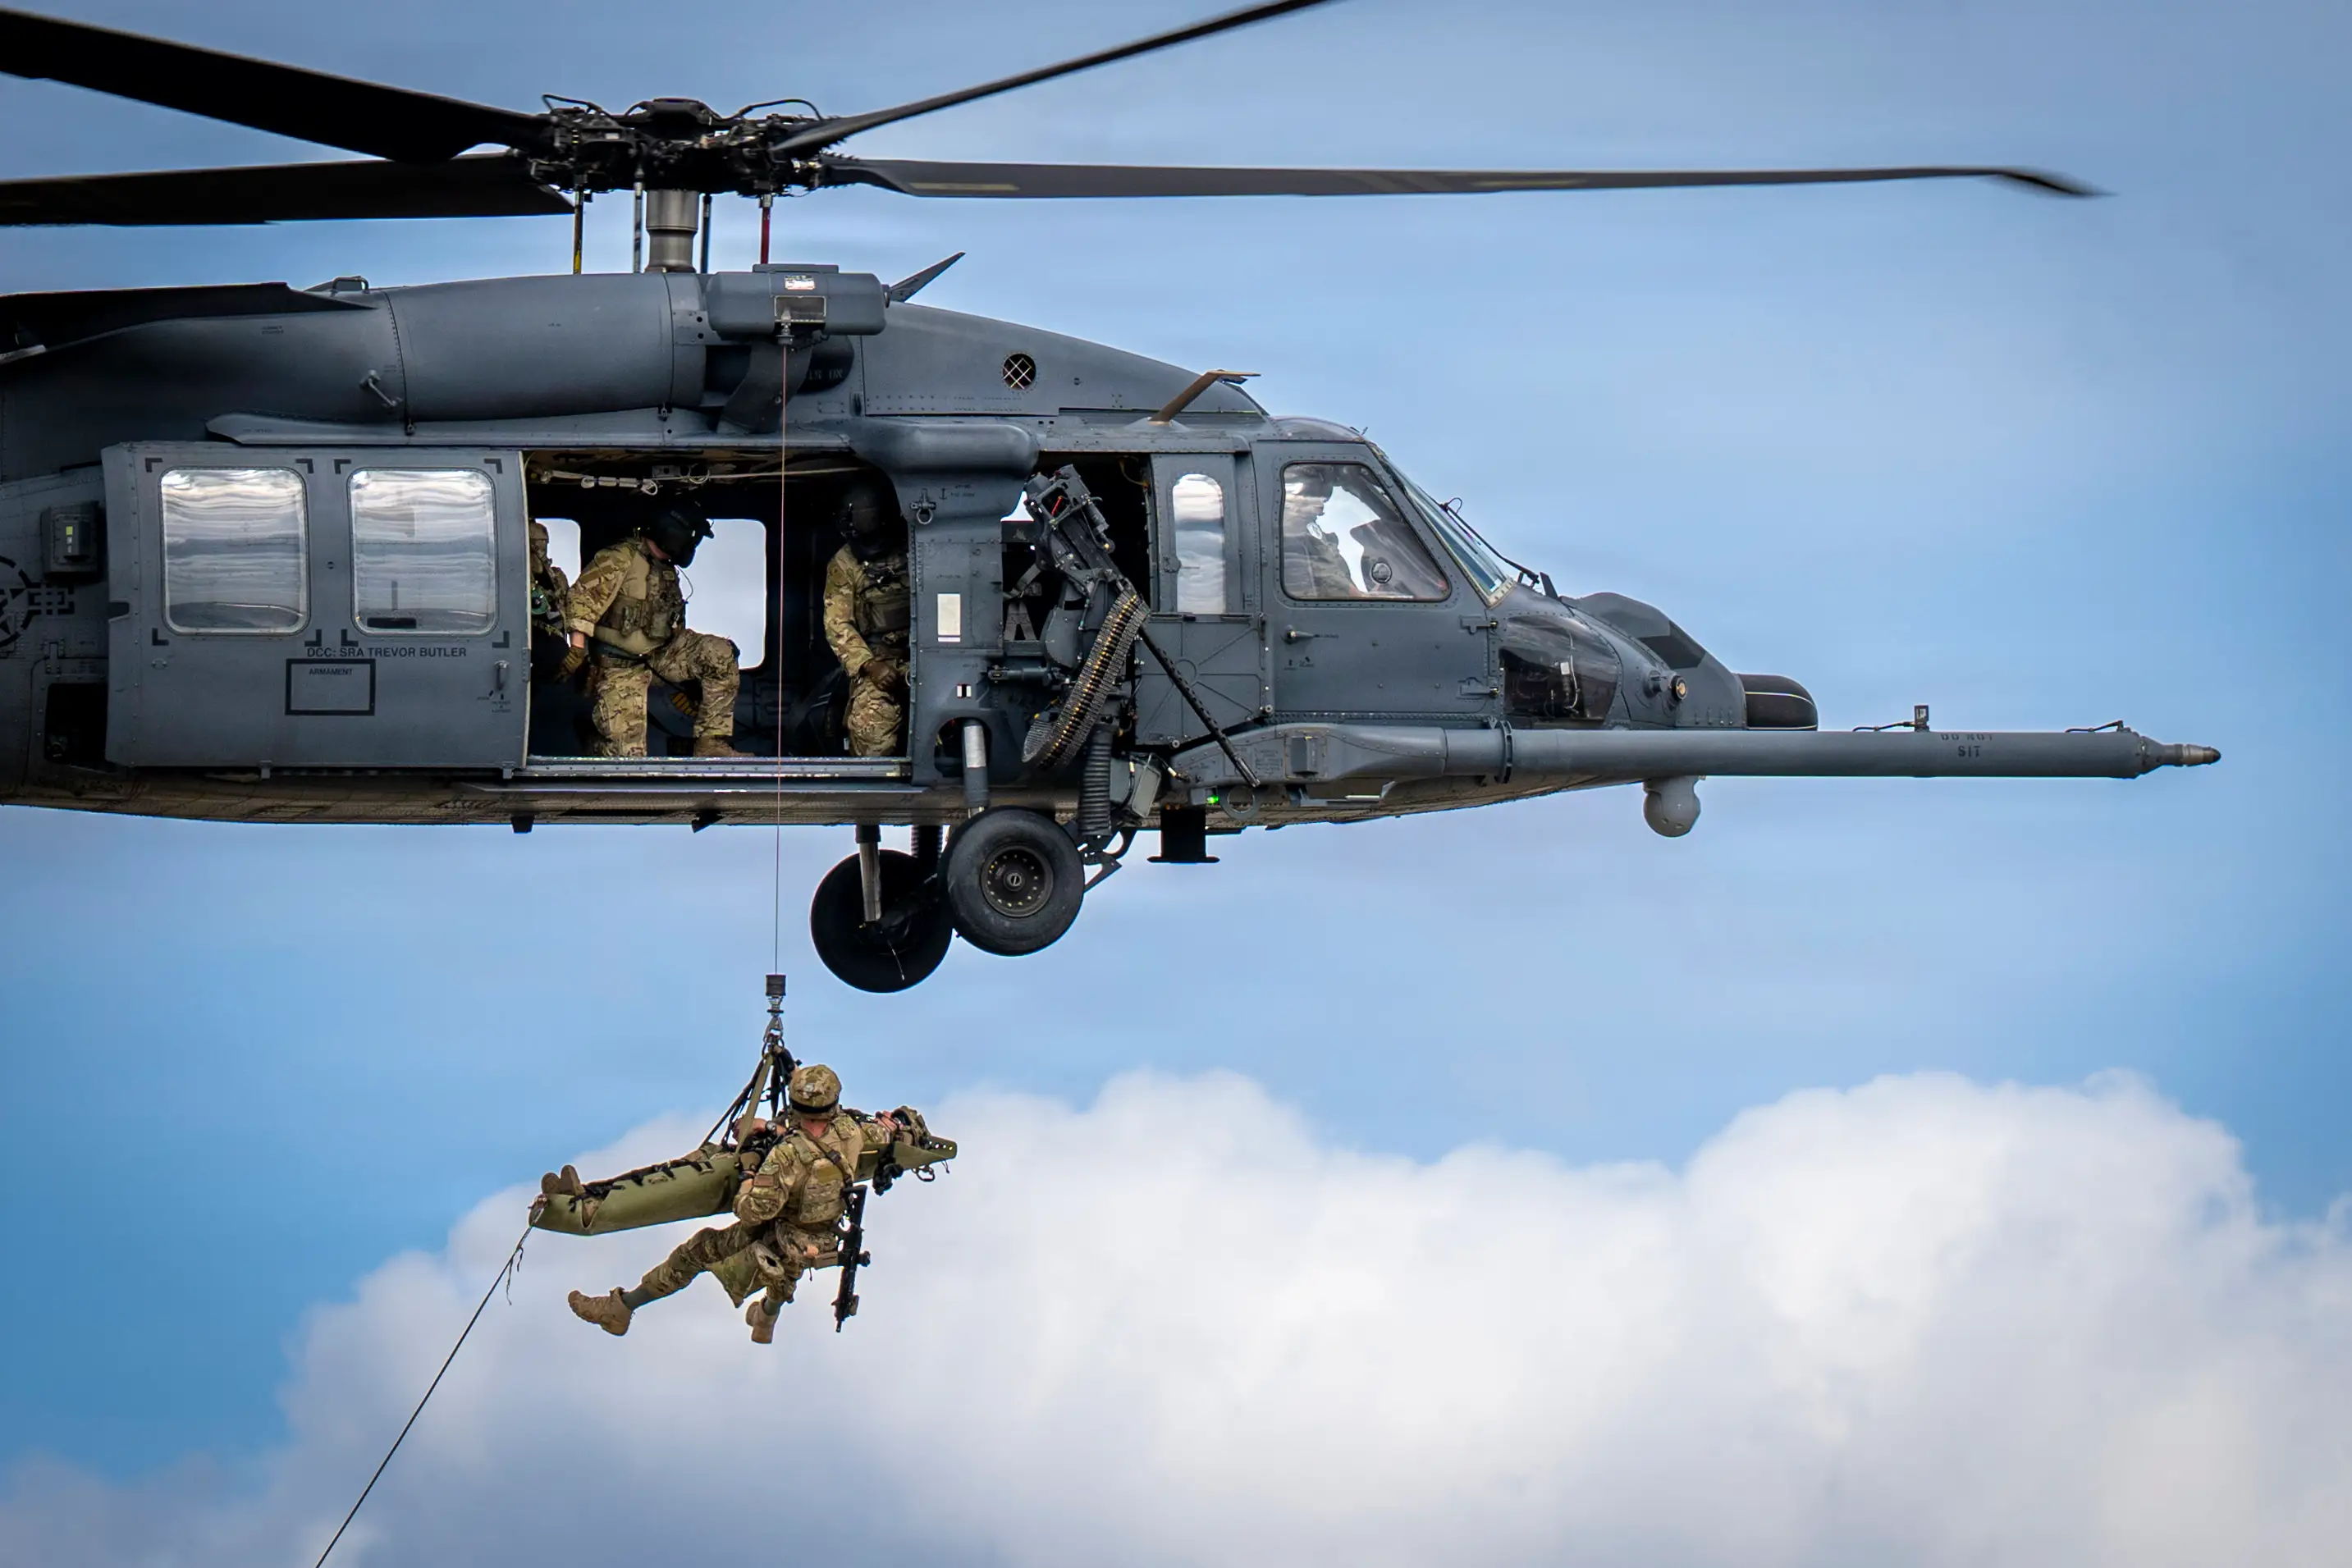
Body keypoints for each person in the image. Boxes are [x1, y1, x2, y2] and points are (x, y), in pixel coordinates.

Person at [567, 1064, 899, 1345]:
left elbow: (753, 1210)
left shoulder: (785, 1156)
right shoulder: (851, 1133)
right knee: (784, 1276)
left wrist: (748, 1179)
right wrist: (893, 1124)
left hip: (782, 1237)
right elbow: (872, 1135)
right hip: (824, 1237)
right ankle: (765, 1321)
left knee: (695, 1252)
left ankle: (620, 1310)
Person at [559, 502, 748, 758]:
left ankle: (710, 743)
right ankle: (595, 744)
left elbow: (669, 623)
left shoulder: (665, 569)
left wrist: (694, 667)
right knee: (627, 759)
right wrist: (577, 651)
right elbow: (581, 602)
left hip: (659, 656)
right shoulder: (620, 558)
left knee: (719, 653)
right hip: (618, 665)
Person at [821, 479, 911, 757]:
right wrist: (870, 666)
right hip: (881, 663)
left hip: (930, 659)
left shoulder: (917, 547)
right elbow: (837, 623)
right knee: (870, 729)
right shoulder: (844, 563)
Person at [526, 520, 572, 679]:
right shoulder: (519, 578)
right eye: (536, 545)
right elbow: (536, 607)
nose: (541, 550)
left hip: (556, 647)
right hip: (533, 647)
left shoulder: (557, 578)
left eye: (543, 544)